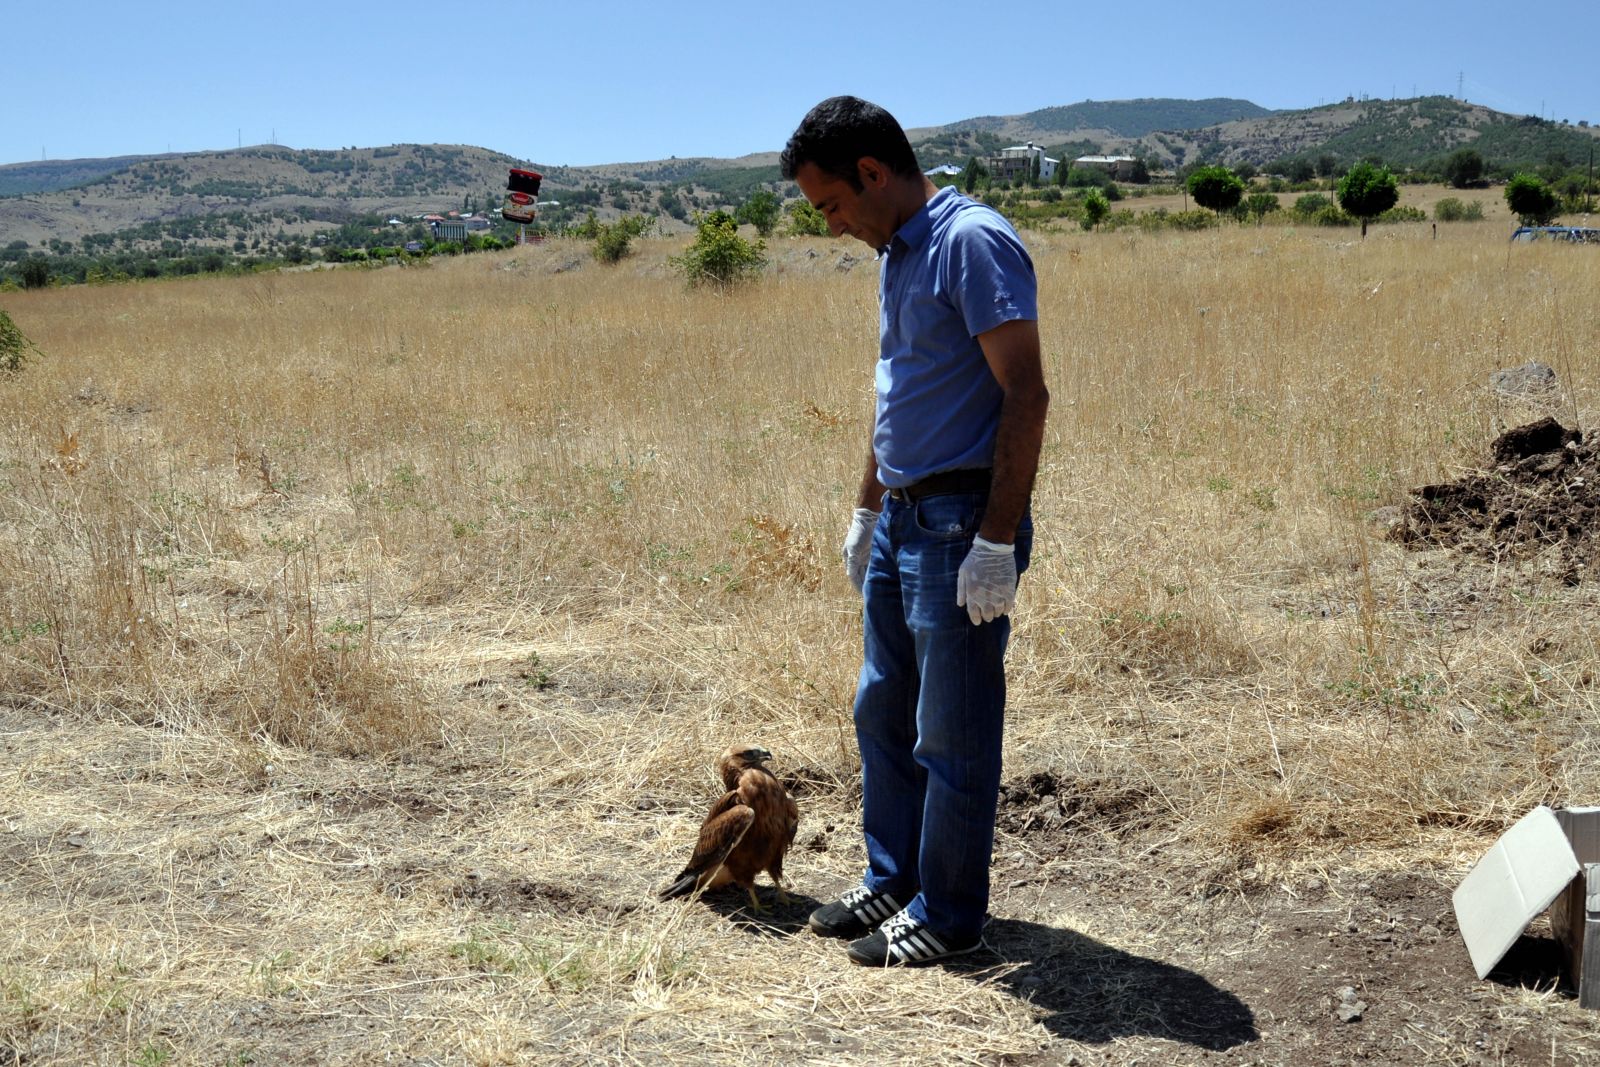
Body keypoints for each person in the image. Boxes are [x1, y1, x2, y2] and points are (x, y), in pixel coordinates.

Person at [779, 96, 1049, 966]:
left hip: (960, 523)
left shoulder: (970, 241)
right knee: (882, 708)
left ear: (871, 172)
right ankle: (894, 877)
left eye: (831, 205)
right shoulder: (898, 251)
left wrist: (996, 540)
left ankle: (950, 912)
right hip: (903, 519)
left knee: (953, 730)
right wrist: (866, 510)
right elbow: (899, 398)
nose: (833, 225)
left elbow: (1026, 394)